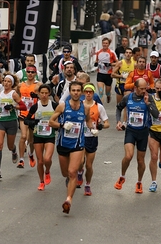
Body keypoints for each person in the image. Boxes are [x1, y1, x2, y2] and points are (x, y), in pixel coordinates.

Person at [48, 81, 92, 214]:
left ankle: (68, 200)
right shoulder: (62, 106)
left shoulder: (85, 108)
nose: (76, 93)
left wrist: (93, 129)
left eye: (78, 90)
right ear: (70, 92)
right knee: (65, 173)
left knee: (73, 172)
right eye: (73, 90)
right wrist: (62, 126)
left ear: (82, 92)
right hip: (63, 143)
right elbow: (51, 122)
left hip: (78, 145)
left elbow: (88, 120)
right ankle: (69, 179)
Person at [114, 78, 159, 193]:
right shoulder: (128, 97)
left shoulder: (148, 98)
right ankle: (122, 176)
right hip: (131, 131)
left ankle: (139, 182)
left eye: (145, 88)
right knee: (128, 156)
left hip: (143, 132)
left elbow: (156, 114)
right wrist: (118, 121)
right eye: (141, 89)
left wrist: (147, 104)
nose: (144, 91)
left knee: (140, 160)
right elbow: (119, 108)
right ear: (135, 88)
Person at [24, 84, 58, 191]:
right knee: (40, 161)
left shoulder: (54, 105)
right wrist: (34, 122)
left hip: (50, 135)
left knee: (47, 159)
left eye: (46, 93)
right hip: (38, 135)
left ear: (49, 94)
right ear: (38, 94)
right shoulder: (35, 106)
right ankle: (41, 181)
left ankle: (47, 171)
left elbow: (61, 117)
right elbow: (26, 120)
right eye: (42, 93)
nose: (44, 95)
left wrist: (56, 125)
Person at [78, 83, 109, 195]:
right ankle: (80, 172)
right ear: (83, 93)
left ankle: (88, 184)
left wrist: (101, 126)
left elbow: (107, 123)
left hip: (92, 138)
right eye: (86, 92)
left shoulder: (98, 107)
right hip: (81, 137)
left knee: (89, 165)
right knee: (80, 162)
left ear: (93, 93)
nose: (88, 94)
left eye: (90, 92)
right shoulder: (79, 105)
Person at [0, 73, 27, 179]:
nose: (6, 83)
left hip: (11, 121)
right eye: (5, 81)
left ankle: (13, 151)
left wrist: (13, 106)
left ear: (12, 84)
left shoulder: (14, 94)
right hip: (0, 121)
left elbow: (24, 107)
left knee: (9, 145)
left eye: (9, 81)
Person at [17, 65, 42, 169]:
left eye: (32, 72)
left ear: (35, 73)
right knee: (23, 136)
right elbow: (17, 97)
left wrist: (37, 96)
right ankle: (21, 159)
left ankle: (31, 154)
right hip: (23, 114)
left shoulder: (38, 85)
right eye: (28, 72)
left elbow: (44, 95)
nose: (30, 74)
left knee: (31, 140)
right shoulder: (20, 85)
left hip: (33, 115)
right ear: (26, 73)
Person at [94, 37, 118, 103]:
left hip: (108, 75)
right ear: (102, 44)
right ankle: (101, 105)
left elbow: (118, 63)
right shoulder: (98, 52)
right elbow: (96, 61)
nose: (105, 44)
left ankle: (108, 96)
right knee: (101, 91)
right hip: (100, 74)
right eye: (103, 43)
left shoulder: (112, 52)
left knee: (107, 92)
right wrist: (96, 63)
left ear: (108, 44)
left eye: (106, 43)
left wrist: (110, 64)